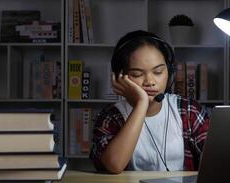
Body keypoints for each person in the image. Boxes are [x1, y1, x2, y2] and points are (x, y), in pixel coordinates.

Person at [89, 30, 209, 174]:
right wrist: (141, 103)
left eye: (158, 72)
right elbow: (114, 164)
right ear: (120, 77)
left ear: (169, 71)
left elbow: (217, 160)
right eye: (137, 74)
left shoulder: (188, 110)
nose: (150, 82)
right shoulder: (111, 116)